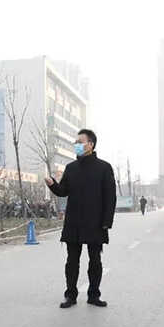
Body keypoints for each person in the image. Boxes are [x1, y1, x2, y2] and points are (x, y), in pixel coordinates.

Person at [45, 129, 116, 309]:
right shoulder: (71, 168)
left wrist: (107, 221)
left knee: (95, 260)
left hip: (96, 222)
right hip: (74, 221)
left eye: (80, 141)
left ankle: (94, 295)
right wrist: (53, 185)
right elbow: (63, 191)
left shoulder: (104, 168)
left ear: (90, 144)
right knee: (72, 261)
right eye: (75, 142)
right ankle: (71, 295)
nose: (76, 144)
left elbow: (110, 197)